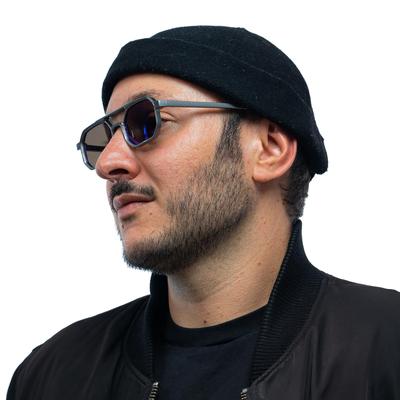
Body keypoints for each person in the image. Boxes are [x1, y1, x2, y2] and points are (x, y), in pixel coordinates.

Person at [7, 25, 400, 400]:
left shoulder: (386, 348)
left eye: (147, 122)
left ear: (269, 149)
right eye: (106, 138)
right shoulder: (53, 375)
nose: (108, 163)